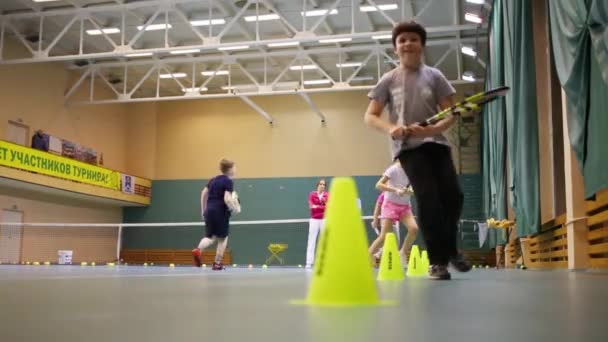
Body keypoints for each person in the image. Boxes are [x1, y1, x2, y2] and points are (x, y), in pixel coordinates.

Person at [364, 21, 471, 280]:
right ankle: (438, 262)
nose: (407, 43)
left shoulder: (435, 76)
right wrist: (391, 128)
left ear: (421, 45)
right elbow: (370, 116)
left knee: (453, 197)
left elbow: (450, 114)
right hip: (408, 150)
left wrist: (432, 130)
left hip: (437, 145)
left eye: (413, 39)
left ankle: (450, 247)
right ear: (395, 47)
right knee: (428, 198)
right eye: (402, 40)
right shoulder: (388, 79)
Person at [192, 158, 239, 270]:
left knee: (210, 237)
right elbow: (227, 199)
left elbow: (203, 193)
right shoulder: (228, 181)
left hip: (209, 211)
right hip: (220, 212)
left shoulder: (213, 180)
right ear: (230, 169)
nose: (236, 169)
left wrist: (203, 210)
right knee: (223, 238)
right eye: (235, 167)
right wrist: (235, 208)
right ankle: (217, 264)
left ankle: (198, 250)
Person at [368, 161, 418, 266]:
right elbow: (378, 185)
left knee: (414, 229)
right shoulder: (393, 169)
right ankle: (369, 254)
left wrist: (409, 191)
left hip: (405, 206)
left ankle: (402, 252)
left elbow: (414, 189)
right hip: (390, 205)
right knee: (384, 236)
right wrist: (396, 190)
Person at [371, 191, 401, 263]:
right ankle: (372, 254)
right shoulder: (384, 195)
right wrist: (375, 220)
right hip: (386, 221)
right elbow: (377, 208)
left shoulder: (394, 195)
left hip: (391, 222)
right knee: (389, 240)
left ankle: (377, 255)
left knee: (394, 242)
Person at [305, 179, 328, 268]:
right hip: (314, 220)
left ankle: (323, 262)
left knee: (324, 241)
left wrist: (317, 206)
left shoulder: (328, 195)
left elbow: (328, 206)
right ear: (317, 185)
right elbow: (311, 207)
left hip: (324, 220)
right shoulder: (312, 194)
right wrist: (322, 206)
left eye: (324, 185)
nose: (322, 186)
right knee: (311, 241)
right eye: (321, 184)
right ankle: (309, 262)